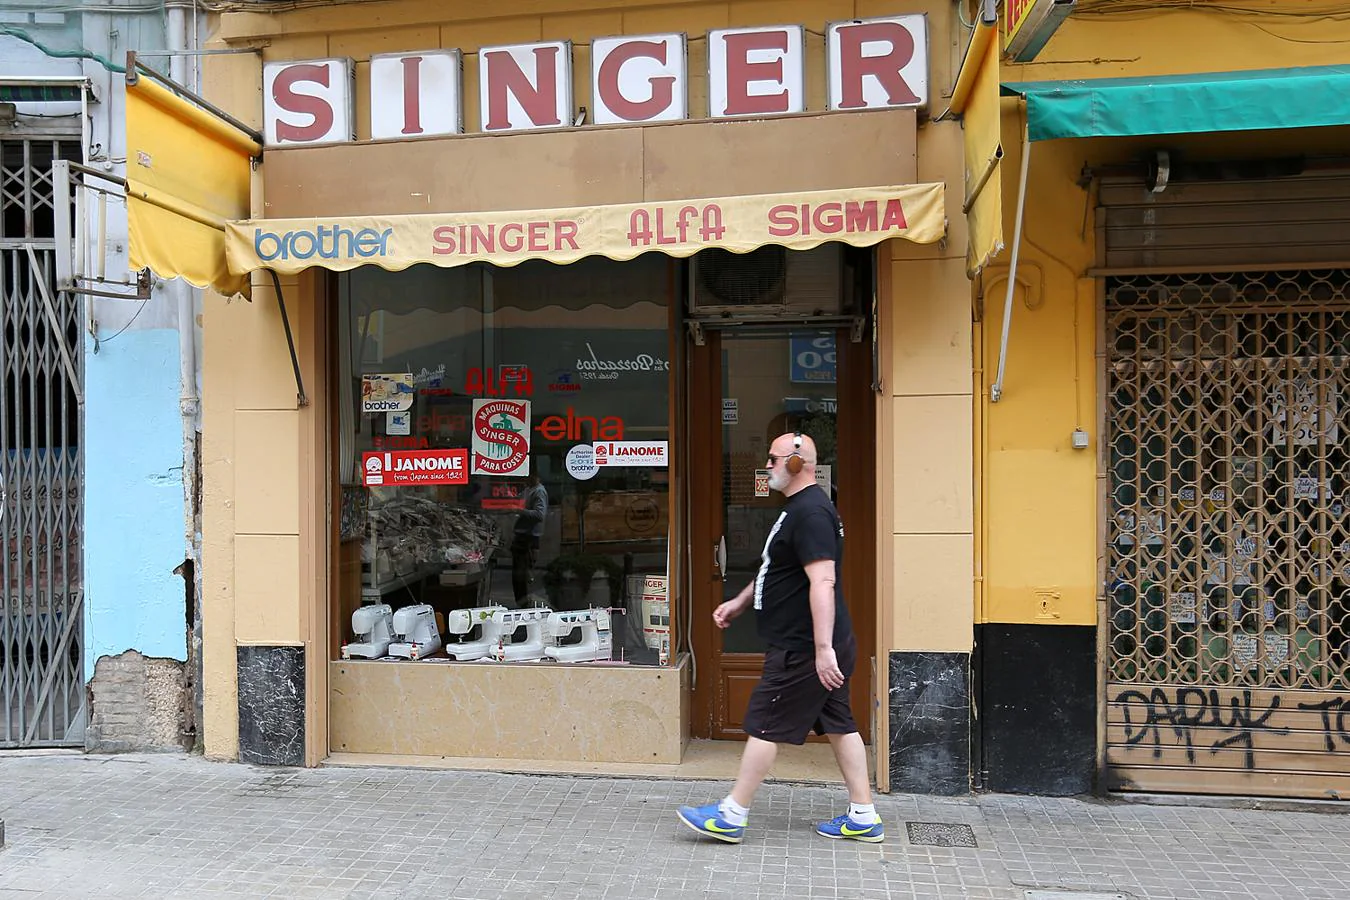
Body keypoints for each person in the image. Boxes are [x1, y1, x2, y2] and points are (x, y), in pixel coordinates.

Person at [677, 432, 882, 845]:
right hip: (816, 644)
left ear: (795, 463)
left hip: (804, 648)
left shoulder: (810, 514)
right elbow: (778, 569)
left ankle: (731, 815)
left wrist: (822, 652)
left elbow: (822, 581)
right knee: (841, 724)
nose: (767, 466)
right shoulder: (800, 510)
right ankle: (863, 815)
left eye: (772, 459)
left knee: (764, 724)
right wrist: (739, 601)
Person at [510, 470, 548, 604]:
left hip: (529, 538)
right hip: (522, 536)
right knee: (518, 574)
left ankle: (524, 602)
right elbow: (518, 499)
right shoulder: (528, 489)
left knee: (522, 573)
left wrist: (519, 511)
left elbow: (539, 514)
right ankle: (521, 601)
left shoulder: (539, 491)